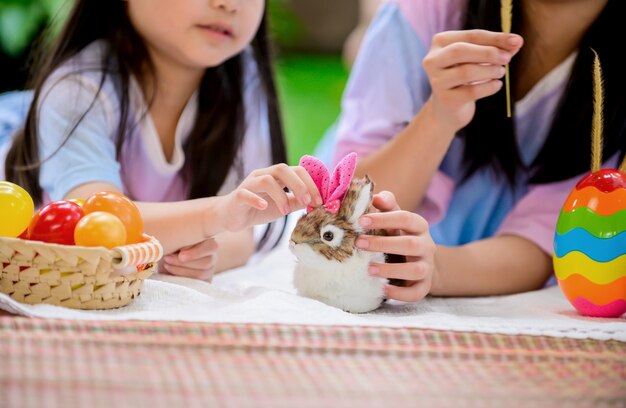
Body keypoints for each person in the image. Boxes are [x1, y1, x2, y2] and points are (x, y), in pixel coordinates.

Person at [1, 0, 322, 281]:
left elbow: (241, 229)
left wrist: (202, 257)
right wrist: (214, 217)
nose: (229, 3)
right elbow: (95, 226)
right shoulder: (78, 90)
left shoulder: (241, 80)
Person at [330, 0, 625, 301]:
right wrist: (439, 117)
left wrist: (433, 268)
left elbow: (545, 242)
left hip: (490, 290)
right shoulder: (426, 10)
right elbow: (351, 210)